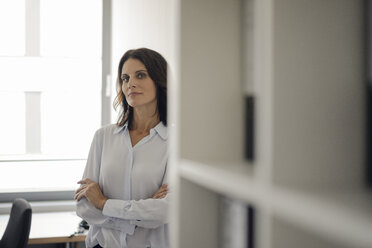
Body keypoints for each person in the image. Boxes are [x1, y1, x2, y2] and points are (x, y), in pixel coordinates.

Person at [75, 48, 169, 248]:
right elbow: (83, 206)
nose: (130, 84)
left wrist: (103, 203)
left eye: (141, 75)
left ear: (159, 81)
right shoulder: (103, 137)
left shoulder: (176, 141)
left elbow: (163, 211)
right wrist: (137, 218)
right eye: (125, 78)